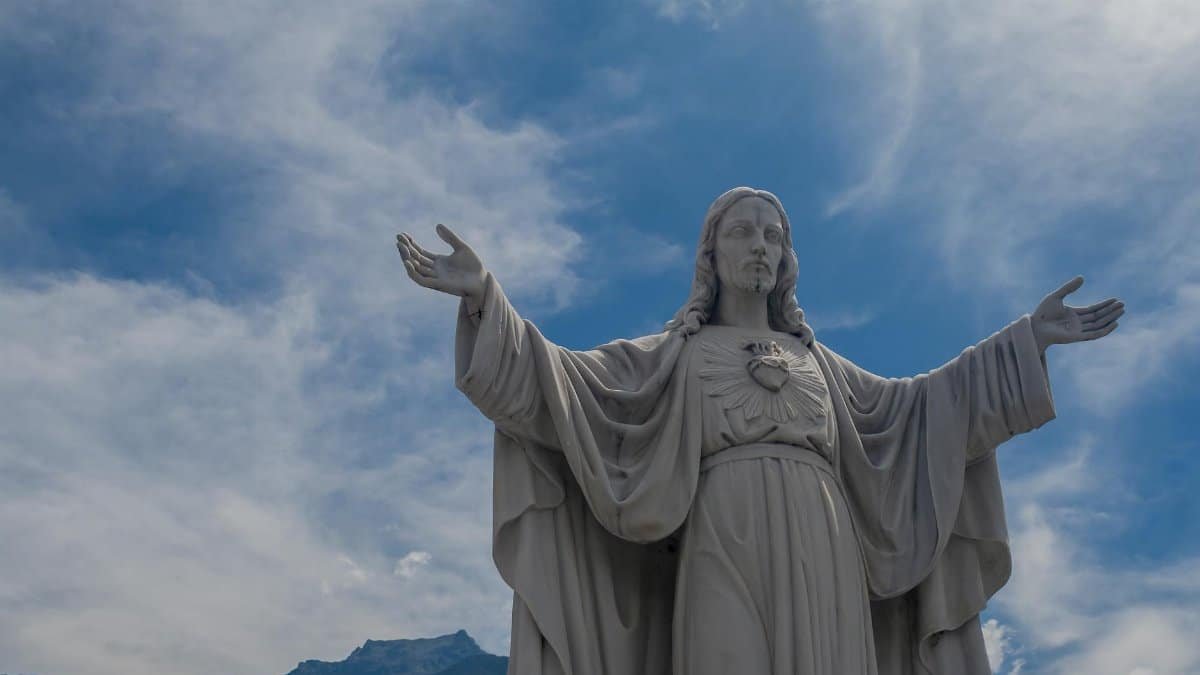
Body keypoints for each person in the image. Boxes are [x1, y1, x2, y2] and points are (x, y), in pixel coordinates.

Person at [396, 187, 1123, 675]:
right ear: (710, 253)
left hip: (824, 549)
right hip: (722, 537)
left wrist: (1026, 341)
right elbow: (562, 384)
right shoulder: (672, 354)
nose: (761, 245)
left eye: (773, 235)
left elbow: (926, 407)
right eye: (743, 231)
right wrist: (487, 300)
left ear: (786, 259)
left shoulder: (820, 365)